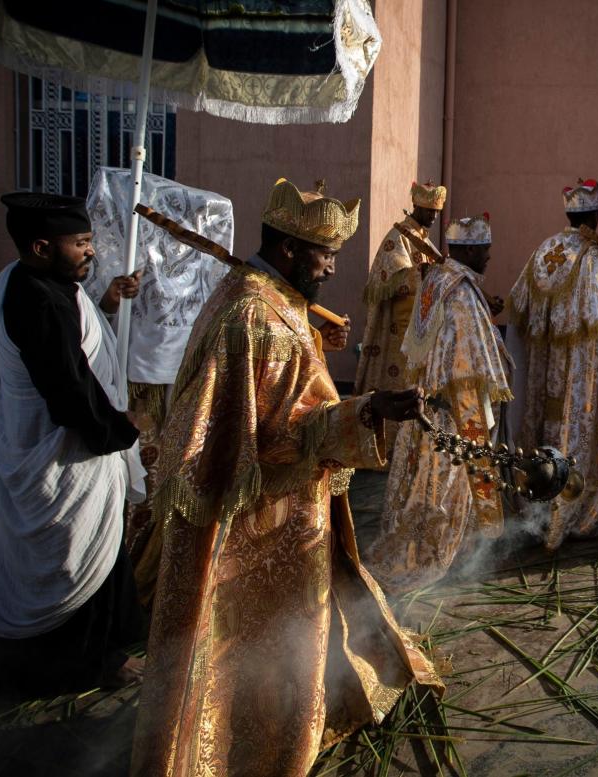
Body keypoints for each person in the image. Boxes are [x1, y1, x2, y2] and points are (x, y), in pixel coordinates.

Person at [131, 179, 441, 777]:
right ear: (291, 249)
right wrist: (369, 407)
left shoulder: (256, 296)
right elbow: (276, 439)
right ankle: (258, 748)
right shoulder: (258, 316)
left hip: (269, 514)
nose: (331, 267)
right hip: (263, 524)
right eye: (325, 254)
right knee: (261, 642)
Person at [0, 192, 147, 696]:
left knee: (72, 551)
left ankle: (96, 652)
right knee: (73, 552)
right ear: (41, 246)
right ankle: (89, 664)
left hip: (42, 442)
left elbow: (77, 338)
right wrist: (126, 429)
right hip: (59, 453)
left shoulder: (29, 280)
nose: (91, 252)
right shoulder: (37, 297)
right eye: (80, 243)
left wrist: (106, 301)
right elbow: (69, 390)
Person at [82, 169, 235, 606]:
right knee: (141, 476)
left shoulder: (202, 265)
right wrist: (113, 297)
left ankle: (171, 567)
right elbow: (97, 320)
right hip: (138, 384)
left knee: (180, 472)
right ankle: (126, 570)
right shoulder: (127, 262)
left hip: (185, 381)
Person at [365, 215, 511, 591]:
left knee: (425, 481)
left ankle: (443, 543)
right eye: (485, 249)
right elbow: (469, 365)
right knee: (445, 486)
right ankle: (442, 551)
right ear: (468, 249)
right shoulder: (459, 292)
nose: (490, 256)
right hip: (452, 410)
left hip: (428, 401)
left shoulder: (436, 279)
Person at [508, 179, 598, 550]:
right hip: (582, 380)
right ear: (596, 214)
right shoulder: (597, 259)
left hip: (546, 375)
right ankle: (582, 508)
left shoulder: (544, 251)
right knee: (578, 434)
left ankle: (540, 505)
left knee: (547, 431)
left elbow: (519, 306)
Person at [355, 181, 446, 452]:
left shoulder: (422, 238)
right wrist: (421, 274)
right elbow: (387, 276)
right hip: (397, 330)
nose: (433, 217)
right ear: (416, 206)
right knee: (398, 384)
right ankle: (389, 444)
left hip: (420, 327)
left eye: (436, 212)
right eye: (429, 211)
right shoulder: (398, 236)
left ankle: (412, 443)